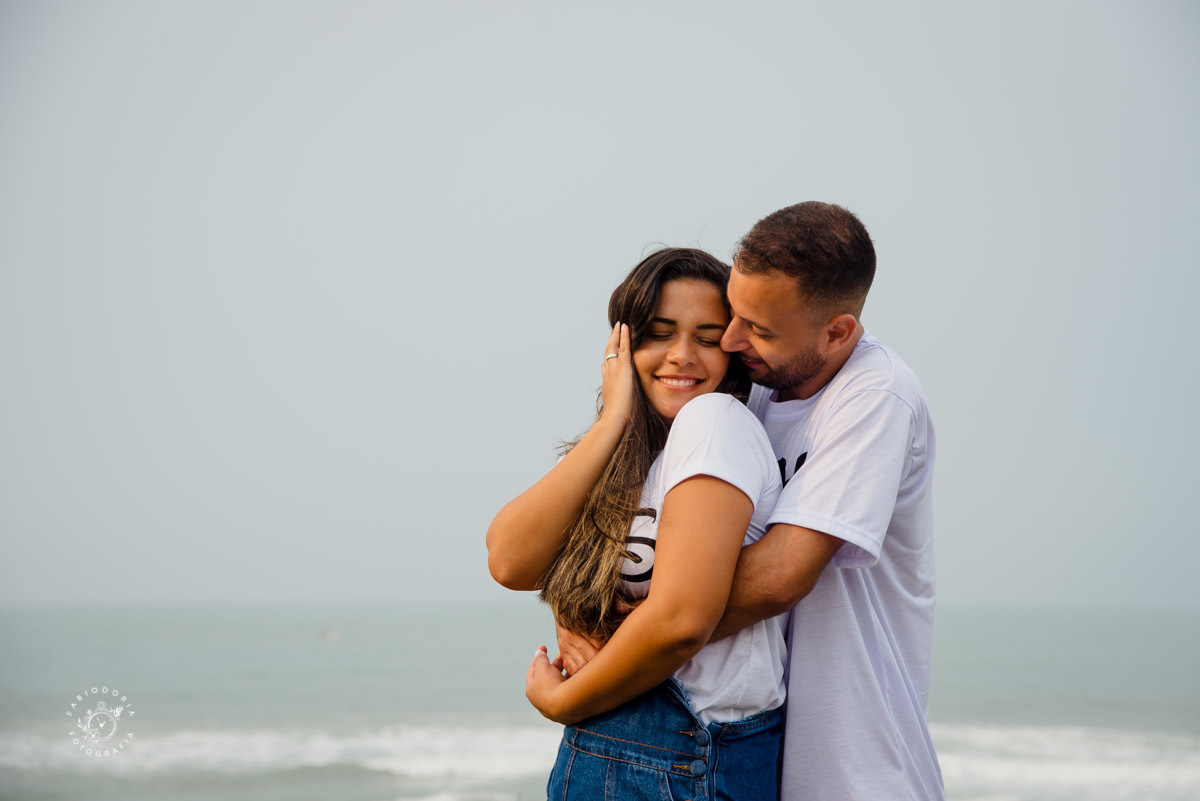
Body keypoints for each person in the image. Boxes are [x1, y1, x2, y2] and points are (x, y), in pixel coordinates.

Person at [557, 203, 945, 801]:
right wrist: (580, 602)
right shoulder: (753, 389)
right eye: (734, 316)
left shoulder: (876, 395)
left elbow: (780, 576)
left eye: (759, 329)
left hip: (855, 766)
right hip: (748, 751)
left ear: (837, 332)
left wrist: (619, 634)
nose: (733, 340)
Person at [486, 248, 787, 801]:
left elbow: (681, 623)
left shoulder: (715, 422)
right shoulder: (622, 455)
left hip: (686, 755)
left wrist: (563, 703)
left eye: (706, 336)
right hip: (603, 754)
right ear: (622, 345)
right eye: (660, 333)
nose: (681, 356)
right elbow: (508, 560)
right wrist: (612, 421)